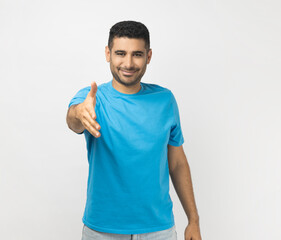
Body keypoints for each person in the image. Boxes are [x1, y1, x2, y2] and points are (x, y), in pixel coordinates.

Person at [66, 20, 202, 240]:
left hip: (159, 230)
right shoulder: (92, 98)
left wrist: (193, 220)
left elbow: (177, 163)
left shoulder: (165, 100)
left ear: (148, 56)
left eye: (137, 54)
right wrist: (80, 113)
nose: (128, 63)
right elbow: (73, 121)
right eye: (120, 53)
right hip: (102, 230)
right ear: (108, 53)